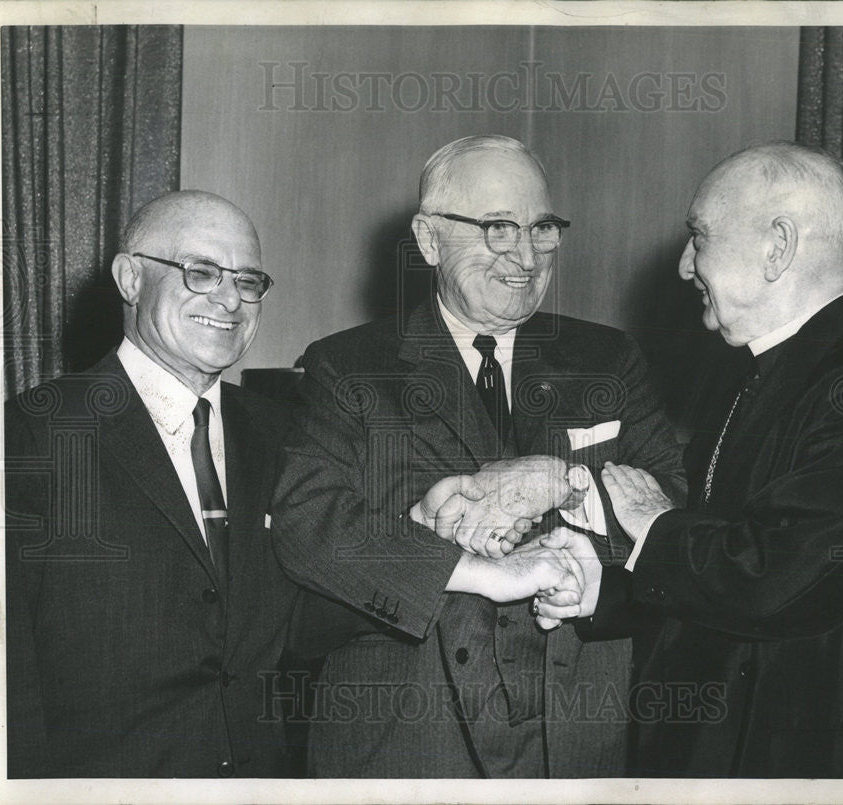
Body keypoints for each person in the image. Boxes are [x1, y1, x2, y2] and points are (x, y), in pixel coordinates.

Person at [272, 135, 686, 778]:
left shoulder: (610, 360)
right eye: (497, 228)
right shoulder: (348, 366)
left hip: (577, 741)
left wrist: (560, 482)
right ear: (430, 240)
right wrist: (468, 566)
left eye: (541, 228)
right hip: (411, 743)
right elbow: (309, 523)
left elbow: (673, 502)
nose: (525, 255)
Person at [541, 142, 843, 778]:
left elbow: (778, 578)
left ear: (778, 246)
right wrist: (606, 589)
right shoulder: (766, 372)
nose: (684, 266)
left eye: (699, 236)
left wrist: (654, 524)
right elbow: (723, 569)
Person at [4, 190, 359, 777]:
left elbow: (299, 628)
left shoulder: (283, 433)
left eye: (248, 281)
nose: (229, 299)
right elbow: (5, 680)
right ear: (130, 279)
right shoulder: (28, 437)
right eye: (201, 273)